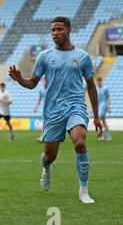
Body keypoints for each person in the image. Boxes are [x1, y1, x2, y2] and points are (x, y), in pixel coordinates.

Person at [8, 16, 102, 204]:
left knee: (79, 143)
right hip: (53, 111)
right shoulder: (45, 56)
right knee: (50, 156)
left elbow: (91, 86)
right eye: (52, 30)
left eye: (59, 29)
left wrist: (97, 116)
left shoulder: (83, 57)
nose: (55, 34)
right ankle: (47, 167)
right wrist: (20, 79)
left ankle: (83, 190)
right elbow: (33, 83)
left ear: (69, 30)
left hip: (76, 106)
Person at [96, 76, 112, 142]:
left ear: (102, 81)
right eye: (98, 81)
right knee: (103, 121)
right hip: (99, 106)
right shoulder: (97, 89)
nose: (99, 82)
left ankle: (101, 136)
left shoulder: (105, 88)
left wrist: (109, 107)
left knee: (98, 120)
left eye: (100, 81)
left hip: (104, 105)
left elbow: (108, 98)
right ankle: (108, 137)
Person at [33, 78, 47, 143]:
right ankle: (42, 137)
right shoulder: (41, 89)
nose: (44, 82)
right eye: (43, 80)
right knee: (44, 123)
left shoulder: (51, 88)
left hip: (53, 108)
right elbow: (39, 99)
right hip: (45, 109)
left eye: (45, 80)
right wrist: (36, 107)